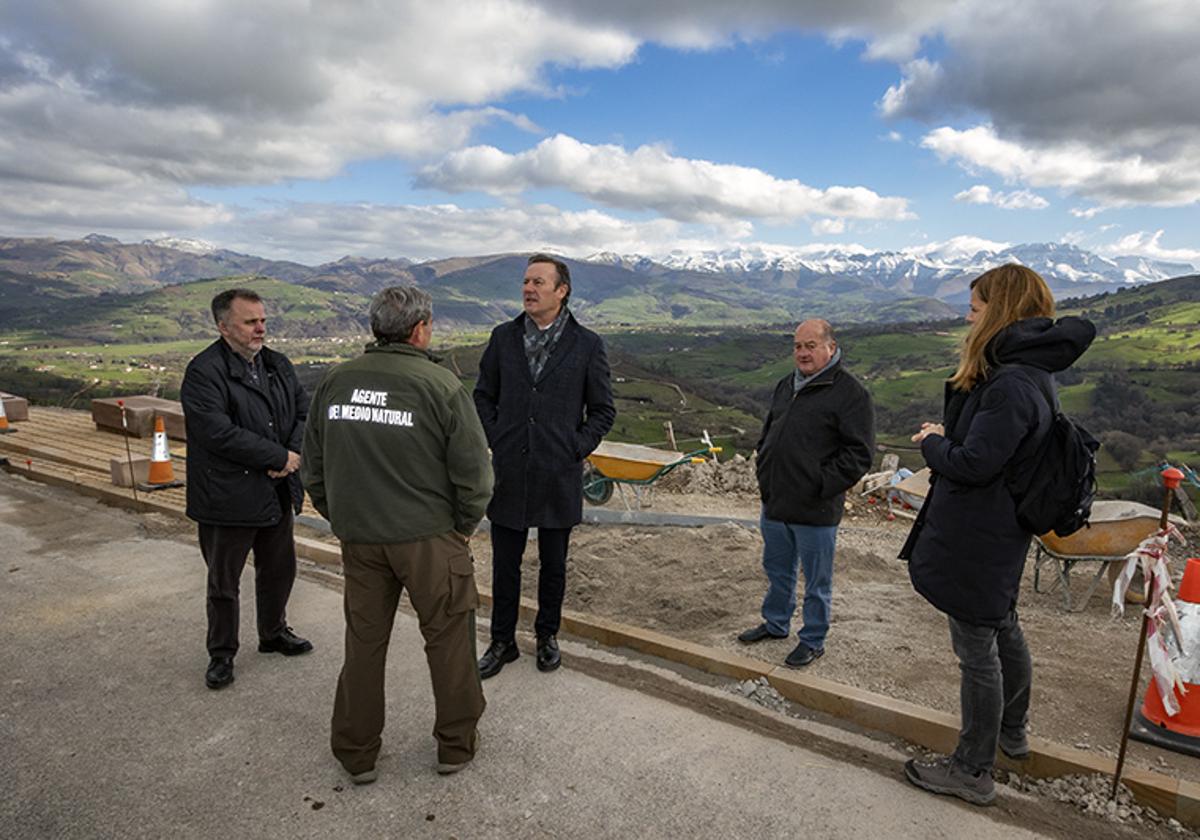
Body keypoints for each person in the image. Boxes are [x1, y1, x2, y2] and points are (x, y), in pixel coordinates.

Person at [899, 264, 1095, 806]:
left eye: (977, 306)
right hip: (997, 532)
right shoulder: (1029, 374)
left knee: (976, 650)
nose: (968, 316)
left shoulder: (1009, 384)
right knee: (1001, 627)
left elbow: (977, 462)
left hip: (978, 536)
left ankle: (972, 769)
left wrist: (934, 443)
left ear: (1002, 311)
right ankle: (1012, 732)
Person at [302, 285, 492, 784]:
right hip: (429, 538)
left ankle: (356, 752)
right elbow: (475, 476)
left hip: (360, 539)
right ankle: (455, 745)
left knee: (364, 644)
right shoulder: (440, 386)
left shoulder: (335, 381)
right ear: (420, 329)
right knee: (449, 640)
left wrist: (342, 515)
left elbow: (314, 467)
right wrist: (460, 530)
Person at [473, 254, 616, 678]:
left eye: (538, 282)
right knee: (504, 564)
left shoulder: (587, 344)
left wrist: (575, 447)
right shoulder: (502, 337)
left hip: (559, 472)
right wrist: (497, 435)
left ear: (562, 290)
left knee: (554, 564)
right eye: (525, 282)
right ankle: (502, 642)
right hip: (511, 470)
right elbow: (483, 396)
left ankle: (547, 636)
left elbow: (603, 410)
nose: (528, 289)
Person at [181, 288, 312, 691]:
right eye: (250, 321)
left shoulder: (277, 364)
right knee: (224, 581)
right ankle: (222, 653)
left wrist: (291, 453)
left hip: (274, 490)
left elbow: (303, 412)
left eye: (263, 320)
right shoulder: (204, 371)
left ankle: (273, 633)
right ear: (223, 327)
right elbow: (217, 433)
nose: (260, 328)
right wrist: (277, 457)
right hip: (226, 496)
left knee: (279, 570)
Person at [738, 319, 874, 668]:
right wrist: (764, 467)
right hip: (776, 501)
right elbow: (770, 430)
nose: (802, 353)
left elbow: (859, 454)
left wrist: (819, 484)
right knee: (777, 569)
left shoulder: (850, 392)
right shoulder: (787, 384)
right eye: (798, 346)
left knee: (817, 580)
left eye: (810, 345)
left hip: (815, 507)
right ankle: (776, 623)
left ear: (831, 346)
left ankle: (813, 639)